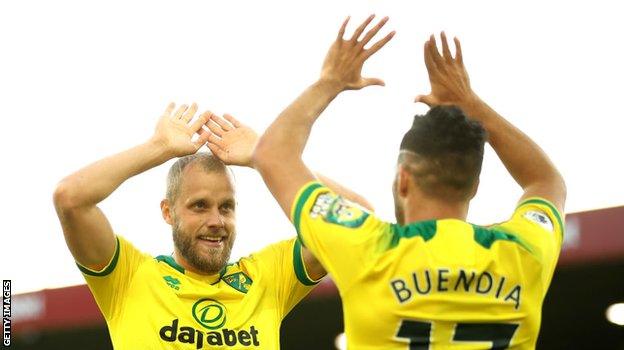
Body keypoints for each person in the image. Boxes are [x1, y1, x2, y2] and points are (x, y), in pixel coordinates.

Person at [253, 14, 566, 349]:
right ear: (474, 185)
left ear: (403, 180)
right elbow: (546, 180)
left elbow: (273, 154)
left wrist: (330, 81)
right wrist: (472, 106)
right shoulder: (523, 252)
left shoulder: (368, 248)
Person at [53, 103, 371, 349]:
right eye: (199, 206)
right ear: (168, 211)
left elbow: (358, 220)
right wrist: (157, 148)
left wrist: (268, 158)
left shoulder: (267, 277)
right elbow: (70, 198)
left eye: (226, 207)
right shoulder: (129, 277)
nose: (216, 221)